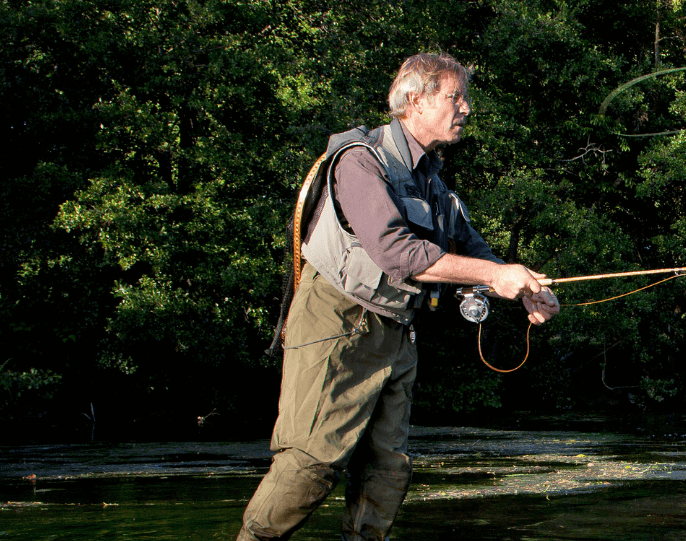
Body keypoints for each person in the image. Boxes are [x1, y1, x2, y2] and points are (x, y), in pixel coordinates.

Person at [239, 52, 560, 541]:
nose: (466, 108)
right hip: (337, 323)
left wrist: (526, 289)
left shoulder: (435, 183)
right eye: (455, 96)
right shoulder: (359, 162)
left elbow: (475, 253)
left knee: (387, 472)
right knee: (309, 465)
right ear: (414, 100)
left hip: (396, 332)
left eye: (465, 97)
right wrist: (495, 276)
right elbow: (398, 254)